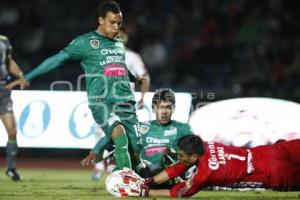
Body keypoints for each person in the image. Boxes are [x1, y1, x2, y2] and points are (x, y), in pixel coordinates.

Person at [6, 1, 141, 171]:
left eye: (119, 23)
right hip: (102, 101)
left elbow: (120, 66)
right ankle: (126, 180)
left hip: (125, 101)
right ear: (101, 20)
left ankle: (126, 176)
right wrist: (27, 76)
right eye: (112, 22)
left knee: (136, 150)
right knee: (119, 134)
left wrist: (134, 78)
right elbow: (56, 59)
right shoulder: (84, 42)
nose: (116, 27)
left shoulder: (119, 42)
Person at [138, 135, 300, 197]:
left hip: (275, 174)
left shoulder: (204, 175)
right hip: (276, 151)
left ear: (194, 156)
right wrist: (148, 181)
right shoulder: (207, 144)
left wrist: (147, 192)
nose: (179, 159)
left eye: (181, 155)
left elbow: (178, 192)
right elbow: (180, 167)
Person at [91, 29, 150, 180]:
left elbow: (143, 76)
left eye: (122, 36)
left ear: (126, 39)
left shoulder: (132, 57)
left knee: (128, 137)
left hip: (125, 103)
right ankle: (99, 167)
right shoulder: (103, 54)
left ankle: (125, 168)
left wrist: (143, 96)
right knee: (101, 131)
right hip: (105, 101)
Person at [0, 34, 24, 181]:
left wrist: (21, 75)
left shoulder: (4, 40)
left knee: (12, 131)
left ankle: (10, 168)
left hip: (3, 91)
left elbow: (8, 62)